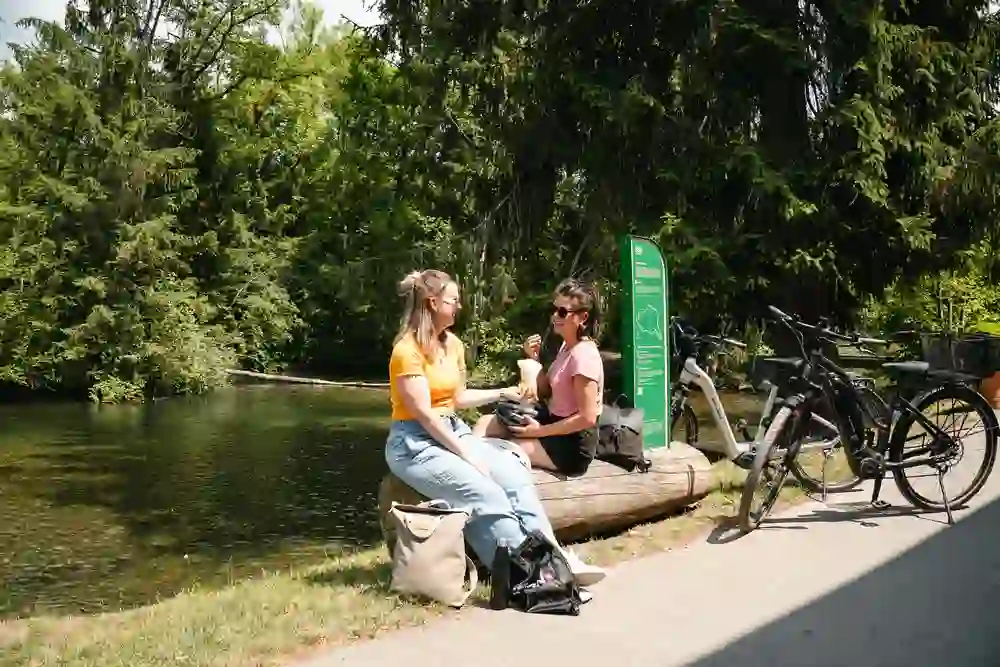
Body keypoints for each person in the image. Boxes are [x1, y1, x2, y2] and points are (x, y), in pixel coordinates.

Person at [385, 269, 606, 587]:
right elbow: (425, 416)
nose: (459, 306)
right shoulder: (407, 351)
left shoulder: (453, 345)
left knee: (512, 474)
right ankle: (525, 575)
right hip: (414, 442)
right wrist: (467, 454)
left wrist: (503, 392)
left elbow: (457, 398)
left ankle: (552, 557)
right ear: (432, 303)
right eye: (454, 300)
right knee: (483, 490)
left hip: (451, 427)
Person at [473, 278, 604, 476]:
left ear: (582, 318)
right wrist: (533, 359)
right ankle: (469, 471)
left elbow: (587, 417)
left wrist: (537, 432)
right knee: (485, 423)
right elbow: (545, 390)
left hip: (571, 445)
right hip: (550, 424)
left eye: (562, 312)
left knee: (504, 451)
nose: (554, 316)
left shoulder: (584, 356)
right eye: (555, 309)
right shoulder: (566, 347)